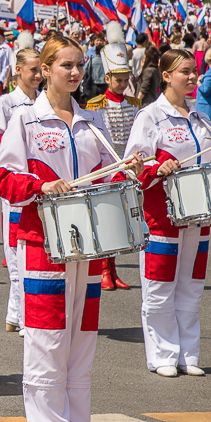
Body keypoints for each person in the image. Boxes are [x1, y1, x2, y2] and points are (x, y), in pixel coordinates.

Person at [0, 35, 143, 422]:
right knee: (46, 336)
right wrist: (40, 186)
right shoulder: (25, 120)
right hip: (42, 243)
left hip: (88, 244)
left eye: (79, 65)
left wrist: (128, 171)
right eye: (66, 65)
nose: (75, 72)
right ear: (45, 70)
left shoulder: (91, 122)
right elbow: (3, 178)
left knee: (82, 337)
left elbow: (108, 176)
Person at [125, 49, 211, 378]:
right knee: (159, 287)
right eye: (185, 71)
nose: (193, 76)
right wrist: (156, 166)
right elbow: (131, 166)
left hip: (199, 216)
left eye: (194, 70)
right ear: (166, 76)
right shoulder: (150, 117)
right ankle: (162, 355)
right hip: (162, 218)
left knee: (192, 286)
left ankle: (188, 354)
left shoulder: (199, 116)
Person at [0, 35, 41, 334]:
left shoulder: (45, 101)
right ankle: (22, 317)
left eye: (40, 70)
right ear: (17, 70)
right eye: (32, 70)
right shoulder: (6, 103)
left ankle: (14, 315)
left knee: (33, 248)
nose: (37, 76)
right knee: (16, 249)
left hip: (41, 185)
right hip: (17, 186)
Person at [83, 22, 142, 290]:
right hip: (106, 168)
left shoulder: (135, 104)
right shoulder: (95, 105)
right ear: (107, 78)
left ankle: (113, 270)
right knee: (105, 219)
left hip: (127, 167)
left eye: (126, 78)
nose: (123, 83)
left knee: (121, 219)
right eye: (118, 79)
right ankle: (103, 270)